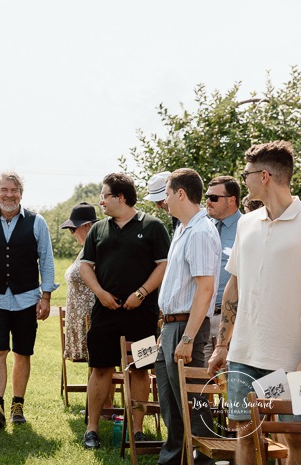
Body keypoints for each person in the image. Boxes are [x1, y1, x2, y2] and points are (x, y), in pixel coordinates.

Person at [208, 141, 301, 465]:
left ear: (264, 176)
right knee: (244, 435)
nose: (243, 180)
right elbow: (234, 285)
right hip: (244, 355)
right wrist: (222, 346)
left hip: (289, 361)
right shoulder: (247, 224)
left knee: (295, 441)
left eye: (246, 174)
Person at [79, 173, 170, 449]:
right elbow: (85, 266)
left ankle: (138, 430)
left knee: (141, 369)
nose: (101, 201)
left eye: (104, 196)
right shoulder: (98, 229)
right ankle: (92, 430)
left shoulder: (153, 226)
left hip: (141, 314)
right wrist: (101, 294)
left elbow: (163, 265)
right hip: (104, 313)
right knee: (100, 368)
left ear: (120, 197)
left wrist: (141, 293)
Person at [0, 171, 58, 428]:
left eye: (14, 190)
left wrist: (46, 296)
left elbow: (46, 259)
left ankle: (17, 405)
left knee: (23, 352)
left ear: (21, 194)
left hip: (27, 298)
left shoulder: (36, 221)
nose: (9, 195)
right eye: (4, 190)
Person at [155, 168, 220, 465]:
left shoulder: (201, 231)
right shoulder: (182, 229)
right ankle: (173, 460)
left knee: (193, 404)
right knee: (170, 403)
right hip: (171, 326)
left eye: (167, 194)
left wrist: (187, 337)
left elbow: (205, 290)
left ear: (181, 193)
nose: (165, 201)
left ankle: (206, 460)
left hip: (187, 327)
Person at [202, 176, 241, 361]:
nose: (208, 201)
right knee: (199, 383)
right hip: (203, 317)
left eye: (213, 197)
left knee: (233, 383)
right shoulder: (203, 227)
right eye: (207, 196)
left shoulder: (246, 227)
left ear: (231, 200)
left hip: (235, 319)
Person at [59, 202, 97, 362]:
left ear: (87, 226)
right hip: (80, 318)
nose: (72, 233)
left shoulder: (97, 247)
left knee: (99, 366)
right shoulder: (86, 248)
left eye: (73, 229)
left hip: (90, 318)